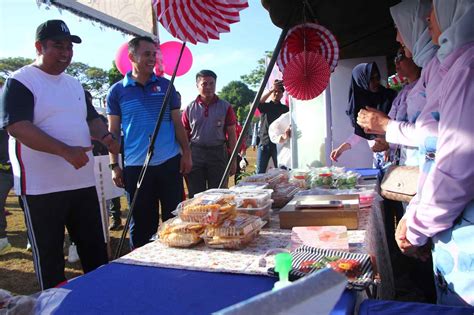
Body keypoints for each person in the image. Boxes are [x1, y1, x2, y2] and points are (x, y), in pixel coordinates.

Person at [361, 1, 474, 306]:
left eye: (435, 8)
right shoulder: (449, 66)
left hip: (460, 226)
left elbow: (453, 163)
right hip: (442, 216)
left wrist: (417, 224)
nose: (427, 18)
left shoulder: (465, 67)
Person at [0, 20, 120, 289]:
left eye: (69, 46)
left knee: (95, 253)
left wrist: (106, 137)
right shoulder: (20, 80)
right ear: (39, 46)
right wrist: (65, 151)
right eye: (58, 45)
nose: (66, 52)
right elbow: (18, 127)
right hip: (41, 189)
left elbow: (92, 118)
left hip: (83, 183)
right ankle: (55, 306)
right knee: (51, 259)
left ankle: (101, 301)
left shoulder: (75, 84)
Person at [107, 36, 192, 249]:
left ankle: (178, 263)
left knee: (176, 220)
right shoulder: (117, 91)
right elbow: (113, 132)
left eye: (154, 54)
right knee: (143, 223)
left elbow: (177, 124)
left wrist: (186, 153)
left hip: (168, 163)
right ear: (131, 56)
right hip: (136, 166)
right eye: (147, 54)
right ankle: (142, 268)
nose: (152, 58)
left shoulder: (167, 86)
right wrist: (114, 165)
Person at [330, 62, 397, 169]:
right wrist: (341, 149)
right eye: (371, 79)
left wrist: (390, 146)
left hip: (396, 155)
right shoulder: (361, 104)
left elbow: (399, 123)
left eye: (377, 77)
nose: (376, 82)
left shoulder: (390, 97)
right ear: (361, 81)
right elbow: (359, 133)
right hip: (379, 159)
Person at [181, 70, 237, 197]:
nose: (208, 87)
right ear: (197, 86)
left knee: (219, 195)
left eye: (212, 84)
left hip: (218, 154)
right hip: (195, 154)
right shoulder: (189, 108)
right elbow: (184, 134)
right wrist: (185, 156)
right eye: (204, 84)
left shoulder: (225, 107)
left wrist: (233, 160)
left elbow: (232, 135)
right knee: (196, 195)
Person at [256, 79, 289, 173]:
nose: (276, 94)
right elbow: (258, 102)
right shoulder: (265, 106)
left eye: (279, 92)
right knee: (260, 172)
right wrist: (271, 89)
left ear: (282, 94)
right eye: (275, 92)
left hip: (279, 143)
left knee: (281, 170)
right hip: (264, 142)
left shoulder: (285, 109)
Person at [0, 81, 13, 255]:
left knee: (28, 205)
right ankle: (2, 239)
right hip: (2, 171)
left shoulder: (14, 108)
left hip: (22, 168)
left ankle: (31, 240)